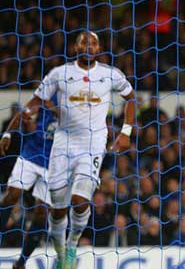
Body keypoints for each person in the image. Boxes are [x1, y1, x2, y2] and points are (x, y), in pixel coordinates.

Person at [33, 31, 136, 269]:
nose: (89, 46)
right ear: (75, 47)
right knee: (57, 209)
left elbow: (130, 97)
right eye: (84, 42)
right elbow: (38, 99)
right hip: (62, 143)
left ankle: (72, 245)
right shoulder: (61, 73)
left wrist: (126, 131)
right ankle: (60, 253)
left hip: (93, 143)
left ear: (99, 48)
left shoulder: (110, 74)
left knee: (80, 200)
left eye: (94, 43)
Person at [0, 96, 57, 269]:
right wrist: (8, 133)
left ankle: (21, 262)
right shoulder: (49, 93)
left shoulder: (79, 101)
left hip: (56, 163)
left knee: (42, 212)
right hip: (32, 154)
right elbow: (23, 113)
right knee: (12, 196)